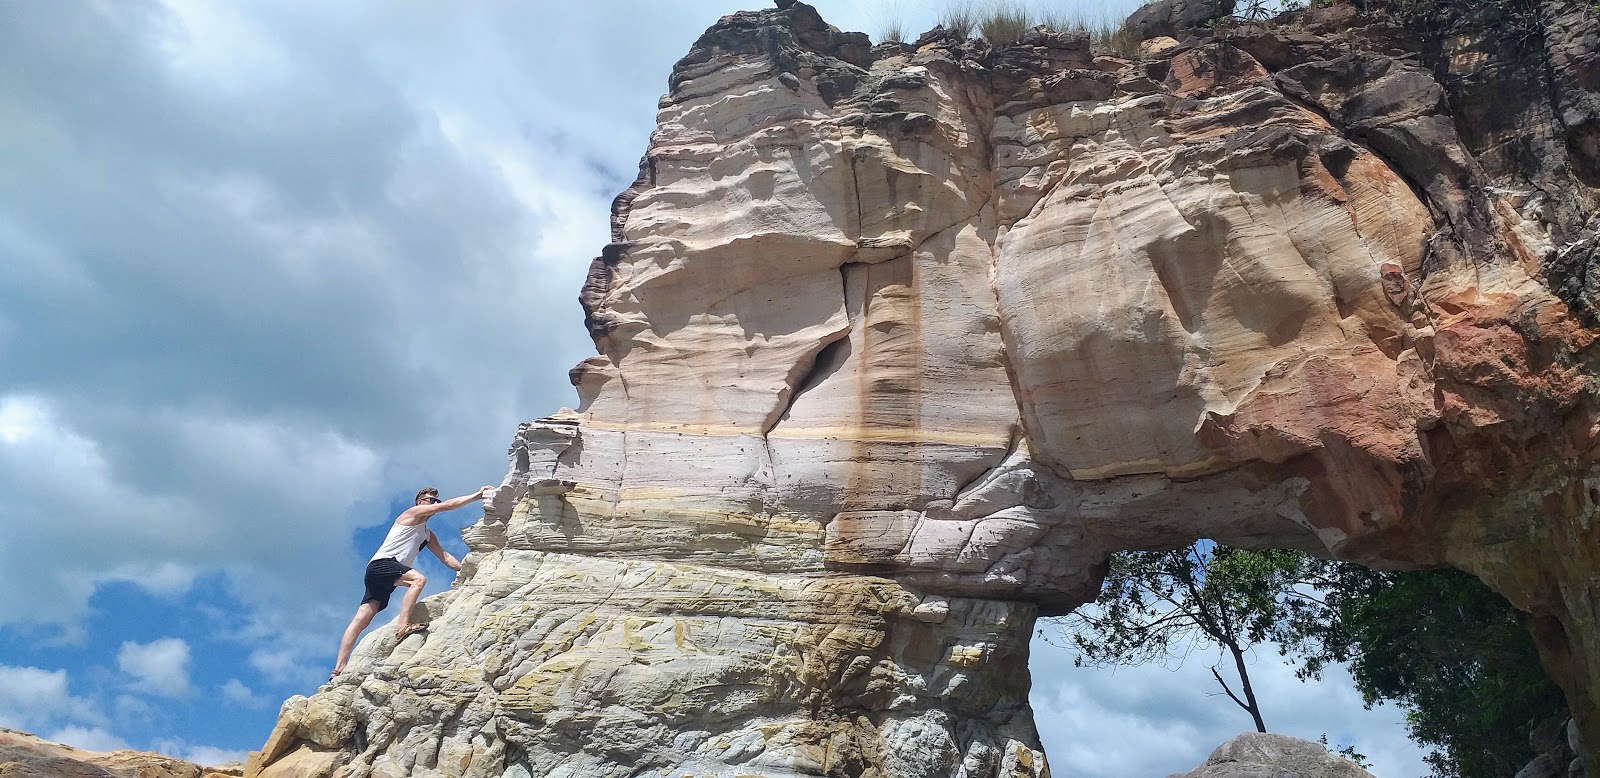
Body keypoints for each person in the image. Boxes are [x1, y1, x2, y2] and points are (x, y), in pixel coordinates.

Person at [331, 485, 491, 677]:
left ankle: (338, 668)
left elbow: (445, 557)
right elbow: (448, 506)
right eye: (431, 500)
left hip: (381, 574)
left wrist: (468, 569)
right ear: (420, 502)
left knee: (362, 619)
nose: (435, 504)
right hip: (383, 564)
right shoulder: (412, 514)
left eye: (436, 501)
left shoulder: (427, 534)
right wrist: (478, 495)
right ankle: (402, 626)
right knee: (418, 580)